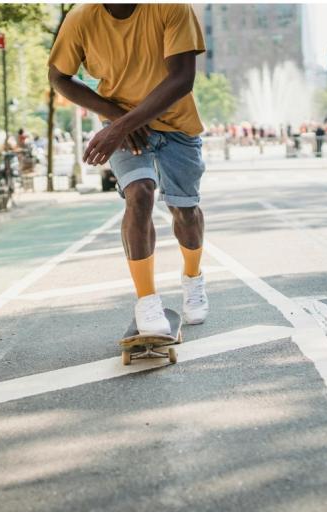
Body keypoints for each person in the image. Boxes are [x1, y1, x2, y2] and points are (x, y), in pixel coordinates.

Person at [48, 3, 209, 334]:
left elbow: (182, 79)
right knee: (139, 194)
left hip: (176, 124)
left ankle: (193, 279)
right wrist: (117, 119)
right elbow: (58, 77)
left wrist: (120, 125)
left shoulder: (171, 8)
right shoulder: (80, 18)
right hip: (124, 125)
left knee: (186, 211)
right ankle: (147, 301)